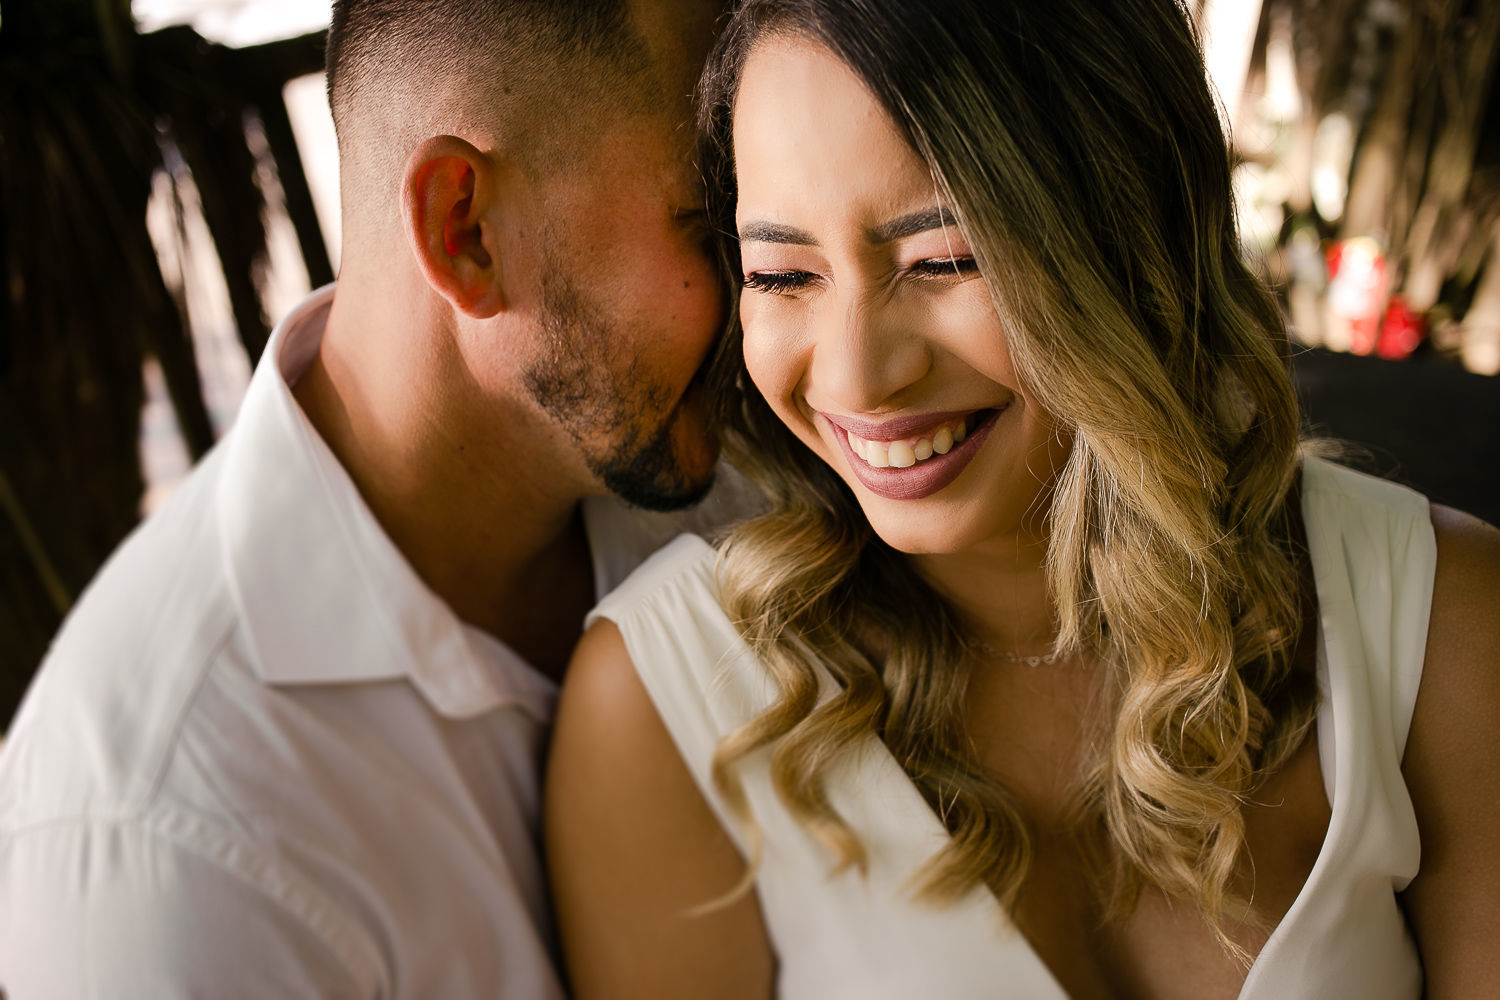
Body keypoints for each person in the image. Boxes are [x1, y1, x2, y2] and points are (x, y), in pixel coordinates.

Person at [544, 1, 1500, 997]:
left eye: (946, 259)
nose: (860, 377)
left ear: (1131, 231)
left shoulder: (1443, 627)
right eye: (784, 274)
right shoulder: (668, 707)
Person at [0, 0, 748, 995]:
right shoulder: (165, 843)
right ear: (465, 230)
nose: (766, 287)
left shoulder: (730, 463)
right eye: (708, 219)